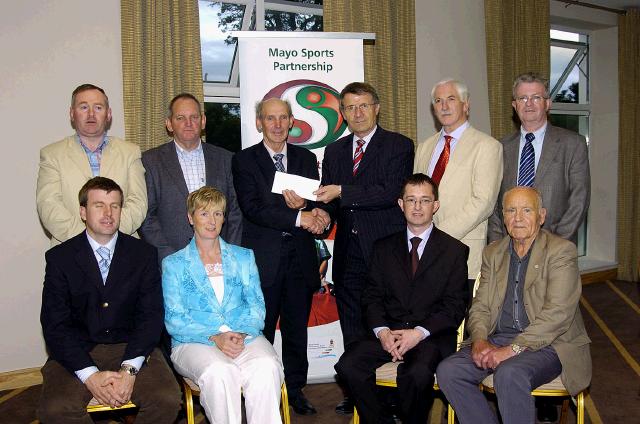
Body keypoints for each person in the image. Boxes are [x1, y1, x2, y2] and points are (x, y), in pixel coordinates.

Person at [436, 187, 592, 424]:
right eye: (511, 210)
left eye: (526, 210)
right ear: (503, 216)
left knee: (509, 374)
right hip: (499, 338)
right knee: (449, 371)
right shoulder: (493, 253)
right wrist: (479, 340)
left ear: (541, 216)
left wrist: (512, 350)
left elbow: (557, 315)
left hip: (549, 344)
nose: (518, 218)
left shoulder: (561, 252)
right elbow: (480, 306)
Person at [38, 177, 181, 423]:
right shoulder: (60, 258)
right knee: (55, 409)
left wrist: (129, 369)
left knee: (166, 399)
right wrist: (90, 376)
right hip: (78, 349)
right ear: (83, 211)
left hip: (132, 347)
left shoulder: (143, 254)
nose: (108, 213)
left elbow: (151, 316)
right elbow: (55, 324)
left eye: (115, 205)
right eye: (99, 205)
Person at [335, 173, 469, 424]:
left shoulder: (454, 251)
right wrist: (383, 332)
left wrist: (418, 333)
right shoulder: (382, 247)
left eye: (424, 200)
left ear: (435, 206)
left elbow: (454, 306)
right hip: (389, 333)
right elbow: (371, 296)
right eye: (411, 200)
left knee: (416, 374)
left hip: (429, 337)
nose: (417, 207)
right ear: (400, 204)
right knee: (348, 366)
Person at [315, 82, 414, 414]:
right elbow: (331, 204)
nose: (356, 113)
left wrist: (341, 191)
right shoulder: (334, 151)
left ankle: (392, 393)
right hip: (348, 253)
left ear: (377, 108)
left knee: (387, 320)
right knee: (352, 322)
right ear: (341, 113)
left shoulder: (399, 145)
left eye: (363, 106)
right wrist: (317, 213)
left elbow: (388, 192)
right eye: (349, 108)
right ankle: (357, 387)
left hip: (385, 252)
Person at [231, 98, 330, 415]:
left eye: (282, 118)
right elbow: (253, 209)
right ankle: (257, 391)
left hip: (300, 259)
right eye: (269, 118)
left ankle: (296, 390)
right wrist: (299, 217)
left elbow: (316, 201)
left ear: (291, 122)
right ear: (259, 122)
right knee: (258, 330)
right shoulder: (244, 160)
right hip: (264, 261)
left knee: (296, 329)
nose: (276, 124)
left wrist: (315, 213)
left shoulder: (305, 157)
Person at [162, 186, 284, 424]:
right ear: (190, 217)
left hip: (244, 336)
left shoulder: (244, 257)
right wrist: (215, 336)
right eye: (204, 213)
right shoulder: (173, 264)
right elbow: (175, 319)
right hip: (193, 341)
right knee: (220, 373)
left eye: (218, 214)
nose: (212, 220)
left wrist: (239, 333)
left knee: (267, 367)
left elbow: (257, 305)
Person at [414, 78, 503, 292]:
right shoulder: (424, 147)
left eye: (451, 99)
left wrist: (435, 237)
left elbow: (483, 203)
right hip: (422, 254)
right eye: (438, 101)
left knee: (463, 322)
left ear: (466, 104)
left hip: (462, 249)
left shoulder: (487, 146)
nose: (444, 106)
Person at [37, 84, 147, 245]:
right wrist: (87, 240)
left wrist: (109, 236)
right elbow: (49, 206)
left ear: (108, 114)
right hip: (70, 249)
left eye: (98, 107)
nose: (91, 114)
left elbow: (138, 203)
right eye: (83, 107)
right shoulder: (52, 155)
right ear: (72, 114)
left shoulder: (130, 152)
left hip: (123, 248)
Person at [488, 72, 590, 245]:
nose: (529, 104)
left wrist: (553, 246)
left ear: (547, 103)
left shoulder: (573, 144)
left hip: (555, 247)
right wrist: (497, 245)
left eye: (536, 97)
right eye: (522, 98)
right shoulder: (500, 147)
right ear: (514, 105)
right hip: (508, 247)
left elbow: (579, 201)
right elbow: (493, 203)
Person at [140, 93, 241, 261]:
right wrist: (171, 258)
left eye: (194, 117)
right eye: (180, 118)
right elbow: (147, 217)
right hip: (172, 261)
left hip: (221, 260)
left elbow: (235, 213)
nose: (188, 123)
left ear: (203, 121)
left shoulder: (226, 159)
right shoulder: (150, 161)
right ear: (169, 124)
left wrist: (229, 254)